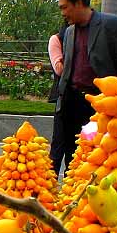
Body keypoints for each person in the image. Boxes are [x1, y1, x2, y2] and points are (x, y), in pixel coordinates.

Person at [50, 0, 117, 174]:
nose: (62, 13)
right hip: (70, 101)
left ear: (79, 4)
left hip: (98, 105)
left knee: (93, 154)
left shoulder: (111, 24)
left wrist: (116, 94)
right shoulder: (69, 32)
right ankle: (70, 193)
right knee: (70, 153)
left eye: (64, 7)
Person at [47, 22, 68, 174]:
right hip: (64, 97)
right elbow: (59, 69)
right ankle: (50, 184)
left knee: (77, 149)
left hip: (85, 99)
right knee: (58, 145)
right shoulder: (57, 40)